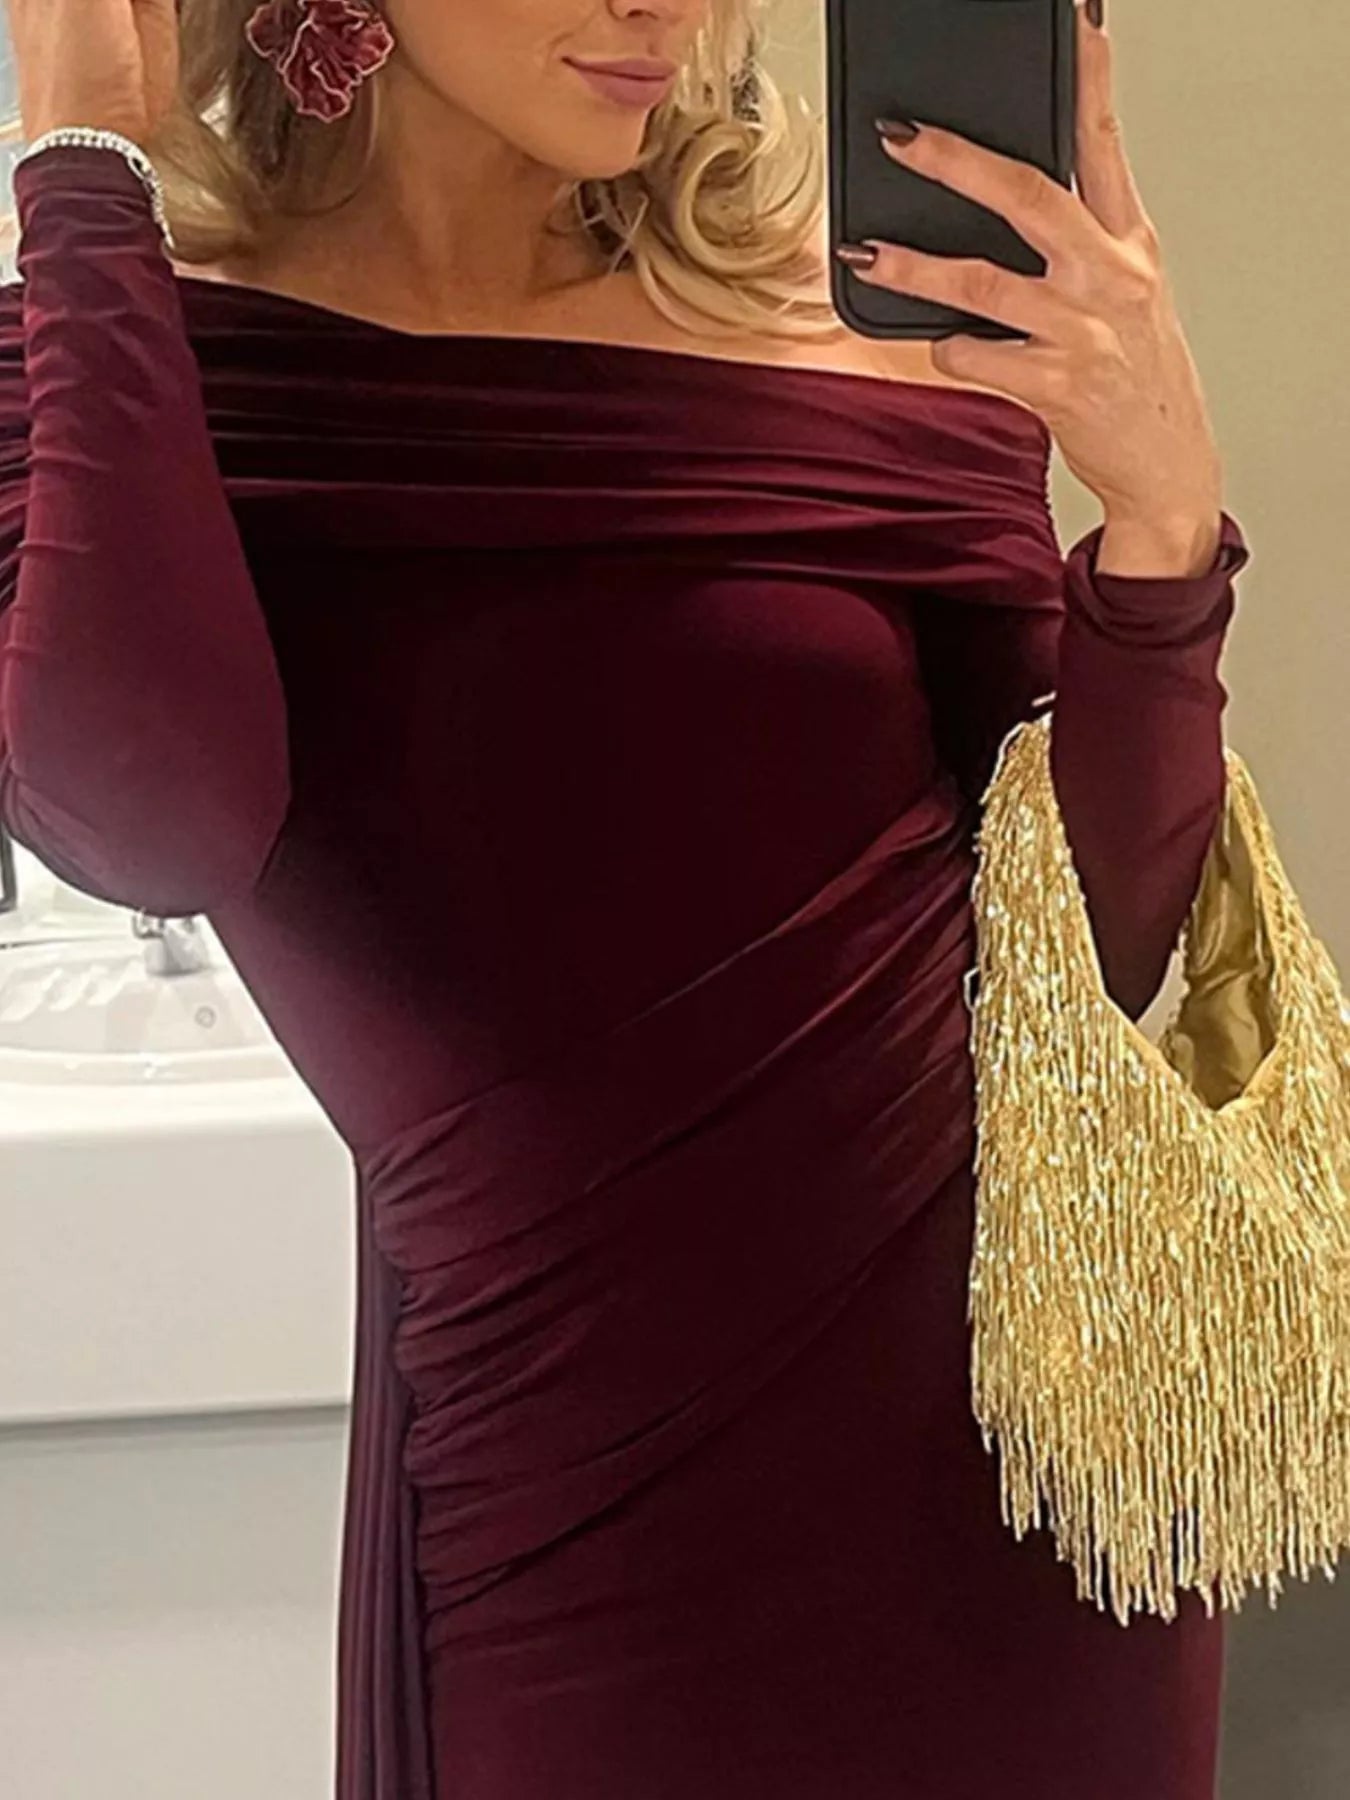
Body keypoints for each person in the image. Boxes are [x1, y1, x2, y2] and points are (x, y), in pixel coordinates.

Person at [0, 0, 1251, 1794]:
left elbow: (1107, 935)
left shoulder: (847, 342)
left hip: (1025, 1481)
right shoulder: (126, 356)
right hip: (566, 1506)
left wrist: (1159, 529)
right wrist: (83, 169)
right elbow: (146, 819)